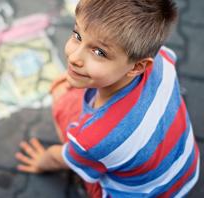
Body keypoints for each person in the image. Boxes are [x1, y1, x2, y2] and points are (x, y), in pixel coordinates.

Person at [14, 0, 200, 197]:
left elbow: (59, 158)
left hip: (133, 192)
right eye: (77, 35)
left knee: (62, 94)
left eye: (99, 52)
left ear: (138, 67)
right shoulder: (165, 59)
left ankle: (86, 176)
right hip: (183, 170)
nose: (74, 57)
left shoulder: (95, 138)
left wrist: (42, 160)